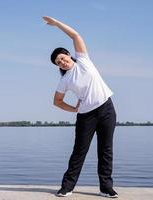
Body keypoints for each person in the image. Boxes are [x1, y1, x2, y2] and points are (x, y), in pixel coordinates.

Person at [42, 16, 118, 198]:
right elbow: (57, 101)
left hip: (106, 109)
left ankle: (106, 188)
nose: (62, 62)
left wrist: (57, 24)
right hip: (86, 116)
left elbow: (75, 35)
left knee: (105, 150)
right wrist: (74, 109)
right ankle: (67, 187)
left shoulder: (84, 61)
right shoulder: (65, 80)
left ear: (68, 54)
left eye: (62, 58)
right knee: (79, 151)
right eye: (58, 63)